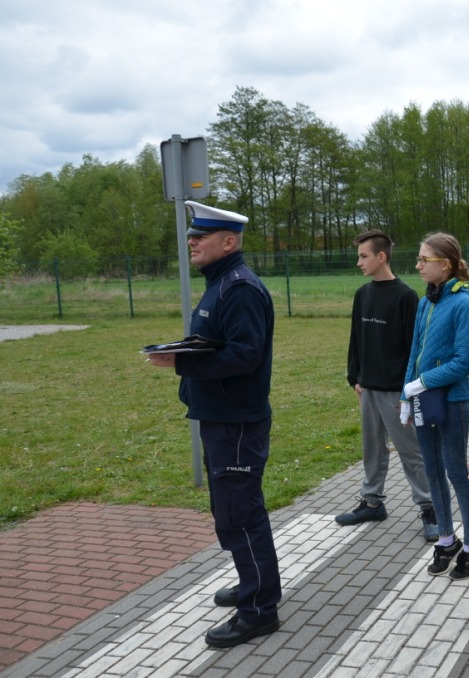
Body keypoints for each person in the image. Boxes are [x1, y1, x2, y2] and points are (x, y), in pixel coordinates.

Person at [147, 200, 282, 649]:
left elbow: (245, 354)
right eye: (191, 235)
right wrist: (185, 352)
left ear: (228, 242)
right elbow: (218, 342)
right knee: (231, 512)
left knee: (240, 515)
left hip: (236, 421)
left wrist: (181, 363)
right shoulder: (221, 282)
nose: (191, 242)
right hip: (221, 417)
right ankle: (253, 585)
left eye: (200, 236)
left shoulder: (238, 287)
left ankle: (259, 610)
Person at [335, 230, 439, 542]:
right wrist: (355, 377)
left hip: (396, 391)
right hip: (367, 388)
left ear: (382, 257)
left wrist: (408, 387)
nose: (359, 262)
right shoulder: (362, 295)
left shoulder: (406, 296)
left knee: (411, 452)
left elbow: (415, 347)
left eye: (364, 256)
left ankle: (430, 508)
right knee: (372, 449)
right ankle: (371, 502)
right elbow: (356, 339)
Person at [401, 232, 469, 579]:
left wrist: (425, 382)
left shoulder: (463, 303)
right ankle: (446, 539)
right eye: (418, 259)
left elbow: (464, 362)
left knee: (455, 472)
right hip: (422, 400)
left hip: (452, 401)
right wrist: (407, 394)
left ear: (445, 264)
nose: (418, 266)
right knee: (431, 471)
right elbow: (415, 353)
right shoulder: (425, 302)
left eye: (424, 260)